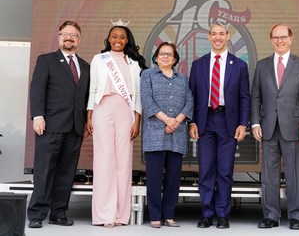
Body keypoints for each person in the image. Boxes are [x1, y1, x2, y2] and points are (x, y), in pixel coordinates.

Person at [251, 24, 299, 230]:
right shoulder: (262, 66)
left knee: (295, 174)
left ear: (291, 38)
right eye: (275, 37)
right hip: (268, 127)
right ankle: (271, 215)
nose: (279, 41)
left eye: (283, 37)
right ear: (271, 40)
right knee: (269, 175)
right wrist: (254, 122)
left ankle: (296, 216)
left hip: (295, 127)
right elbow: (255, 97)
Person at [27, 20, 90, 228]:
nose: (68, 37)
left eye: (73, 35)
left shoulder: (85, 67)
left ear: (78, 40)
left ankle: (58, 213)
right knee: (44, 171)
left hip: (75, 127)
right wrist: (37, 116)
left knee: (66, 172)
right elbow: (37, 90)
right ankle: (37, 214)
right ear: (59, 37)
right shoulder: (46, 60)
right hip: (49, 125)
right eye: (65, 34)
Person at [189, 22, 250, 229]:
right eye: (213, 34)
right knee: (206, 170)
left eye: (221, 34)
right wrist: (193, 122)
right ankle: (207, 213)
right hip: (205, 121)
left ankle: (223, 214)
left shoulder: (240, 65)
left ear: (228, 36)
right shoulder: (198, 65)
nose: (217, 37)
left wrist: (243, 123)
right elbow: (192, 96)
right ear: (208, 37)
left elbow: (244, 97)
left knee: (224, 170)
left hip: (228, 123)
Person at [86, 21, 147, 227]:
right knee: (103, 162)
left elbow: (138, 95)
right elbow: (93, 89)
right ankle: (104, 215)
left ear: (127, 39)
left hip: (126, 110)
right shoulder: (99, 59)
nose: (118, 40)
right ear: (108, 38)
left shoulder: (134, 62)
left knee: (123, 162)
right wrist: (89, 115)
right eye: (114, 36)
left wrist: (137, 120)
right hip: (102, 108)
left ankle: (120, 215)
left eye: (122, 37)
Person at [140, 42, 194, 228]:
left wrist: (176, 121)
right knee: (154, 178)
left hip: (177, 134)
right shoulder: (147, 75)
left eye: (169, 54)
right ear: (156, 57)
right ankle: (155, 216)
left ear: (175, 59)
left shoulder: (182, 79)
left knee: (173, 179)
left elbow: (189, 101)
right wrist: (167, 120)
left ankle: (169, 215)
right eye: (162, 54)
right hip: (155, 133)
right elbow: (146, 100)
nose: (165, 57)